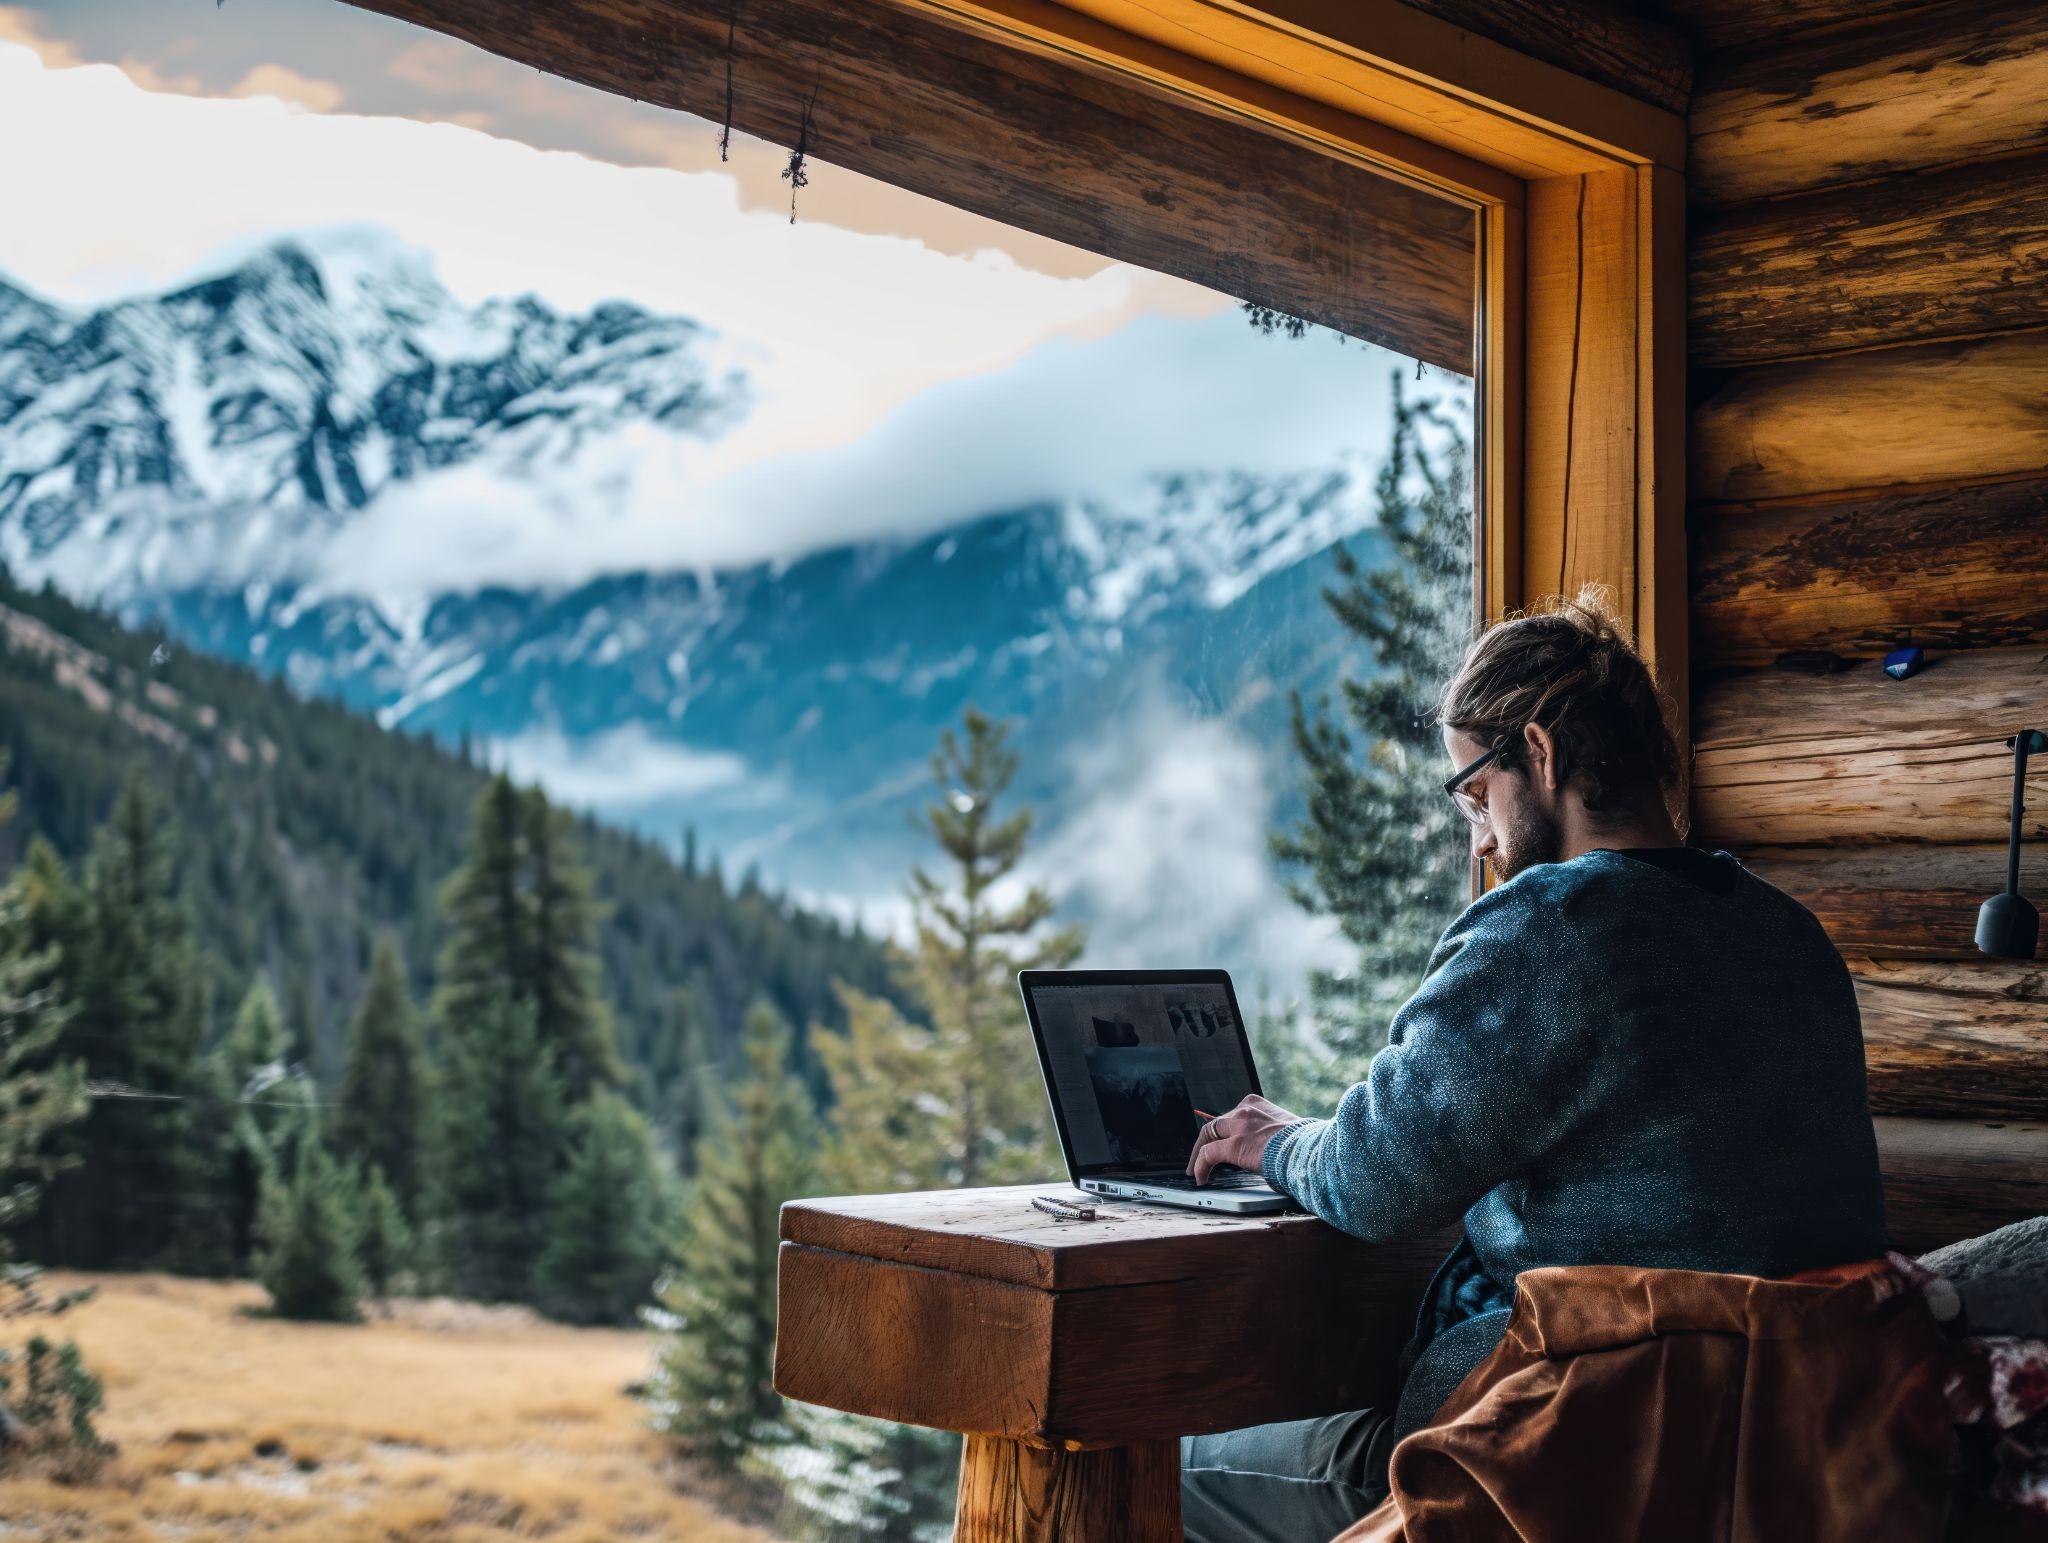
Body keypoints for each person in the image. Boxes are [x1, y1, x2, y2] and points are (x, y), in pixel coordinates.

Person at [1180, 591, 1888, 1543]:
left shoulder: (1555, 924)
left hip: (1553, 1452)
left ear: (1541, 755)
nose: (1478, 840)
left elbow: (1372, 1179)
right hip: (1768, 1452)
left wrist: (1275, 1139)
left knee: (1173, 1467)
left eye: (1477, 795)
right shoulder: (1784, 929)